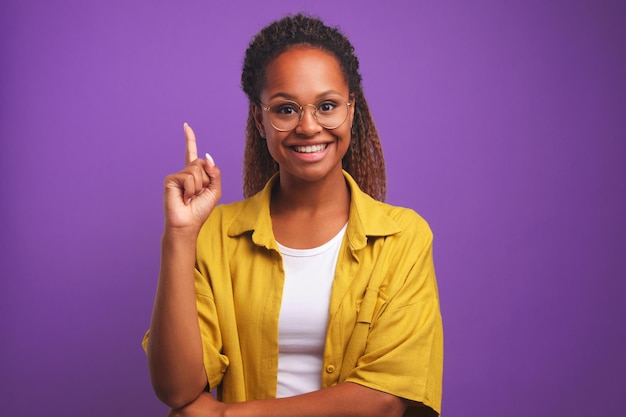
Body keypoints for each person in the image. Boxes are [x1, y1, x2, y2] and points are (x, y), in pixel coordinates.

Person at [143, 13, 443, 417]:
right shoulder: (217, 234)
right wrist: (179, 235)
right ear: (259, 118)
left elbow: (387, 399)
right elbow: (176, 388)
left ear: (351, 109)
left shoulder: (403, 237)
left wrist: (225, 414)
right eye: (286, 109)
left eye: (327, 106)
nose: (308, 126)